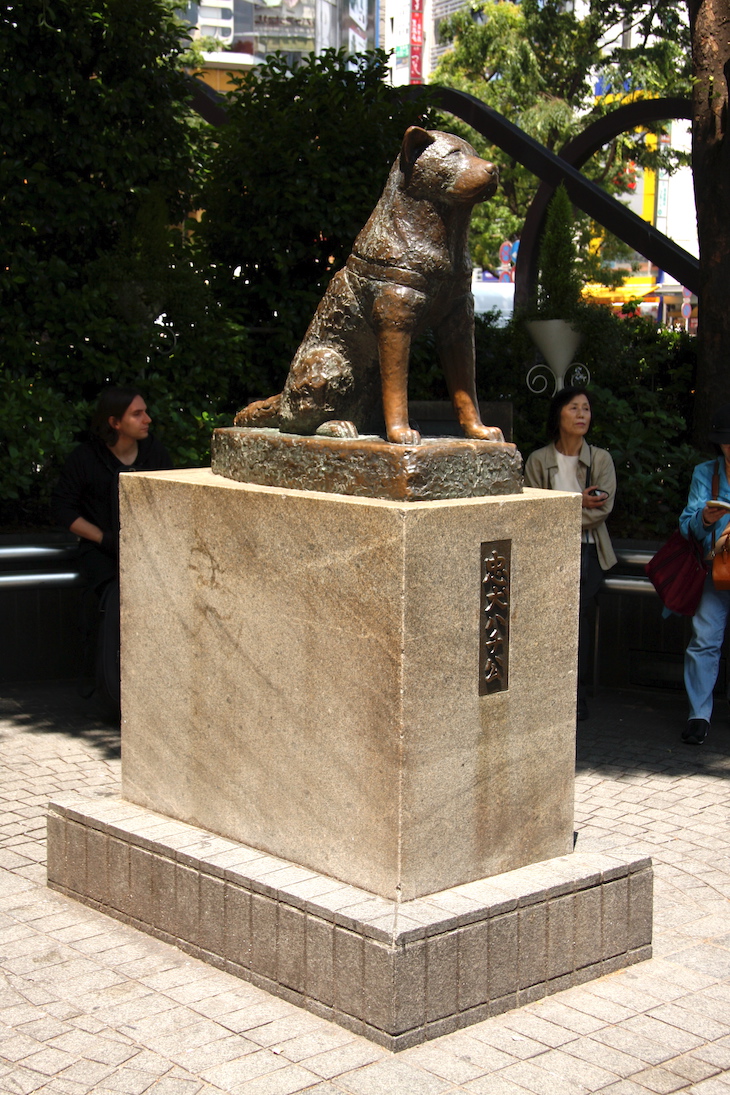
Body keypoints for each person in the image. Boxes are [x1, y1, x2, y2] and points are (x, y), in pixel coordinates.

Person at [51, 387, 172, 714]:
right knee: (118, 595)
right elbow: (64, 510)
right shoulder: (86, 458)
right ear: (115, 422)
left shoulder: (154, 453)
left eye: (146, 411)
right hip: (102, 552)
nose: (147, 419)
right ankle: (113, 693)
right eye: (137, 414)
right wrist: (104, 539)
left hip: (147, 553)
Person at [524, 386, 617, 721]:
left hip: (588, 552)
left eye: (586, 409)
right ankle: (546, 693)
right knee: (545, 623)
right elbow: (533, 512)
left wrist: (559, 511)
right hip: (548, 554)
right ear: (558, 415)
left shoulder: (600, 460)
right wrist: (577, 501)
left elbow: (601, 512)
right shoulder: (538, 460)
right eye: (574, 408)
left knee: (576, 623)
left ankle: (574, 697)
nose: (581, 415)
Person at [679, 403, 730, 745]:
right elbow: (687, 526)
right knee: (704, 641)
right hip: (717, 571)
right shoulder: (705, 473)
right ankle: (699, 714)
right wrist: (706, 520)